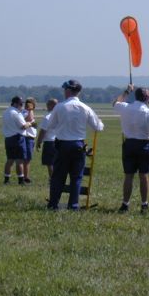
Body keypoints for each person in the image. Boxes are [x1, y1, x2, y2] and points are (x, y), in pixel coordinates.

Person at [46, 80, 104, 210]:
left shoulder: (59, 107)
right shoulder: (85, 107)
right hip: (78, 145)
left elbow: (50, 125)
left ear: (67, 91)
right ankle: (73, 205)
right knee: (76, 177)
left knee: (58, 176)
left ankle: (53, 204)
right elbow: (98, 127)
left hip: (62, 145)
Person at [113, 84, 149, 213]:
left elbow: (116, 102)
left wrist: (127, 91)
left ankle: (125, 204)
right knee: (144, 176)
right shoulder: (148, 112)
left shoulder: (125, 108)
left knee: (128, 176)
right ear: (147, 98)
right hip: (144, 146)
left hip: (129, 145)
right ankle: (144, 204)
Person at [2, 96, 34, 185]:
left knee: (9, 160)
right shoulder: (16, 113)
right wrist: (30, 124)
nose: (22, 106)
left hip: (8, 138)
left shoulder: (6, 112)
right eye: (21, 104)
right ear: (15, 104)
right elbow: (23, 126)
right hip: (18, 138)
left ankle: (6, 179)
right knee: (19, 161)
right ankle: (21, 180)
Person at [35, 98, 59, 179]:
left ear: (52, 105)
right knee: (57, 162)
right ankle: (58, 178)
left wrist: (38, 142)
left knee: (50, 163)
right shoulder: (60, 115)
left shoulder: (48, 117)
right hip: (60, 141)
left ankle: (53, 179)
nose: (47, 106)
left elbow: (43, 131)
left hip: (49, 142)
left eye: (48, 104)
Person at [21, 97, 38, 183]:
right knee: (27, 159)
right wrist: (30, 109)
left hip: (30, 137)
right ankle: (25, 177)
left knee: (28, 159)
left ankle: (25, 176)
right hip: (27, 138)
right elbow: (30, 119)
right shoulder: (26, 112)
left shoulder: (27, 112)